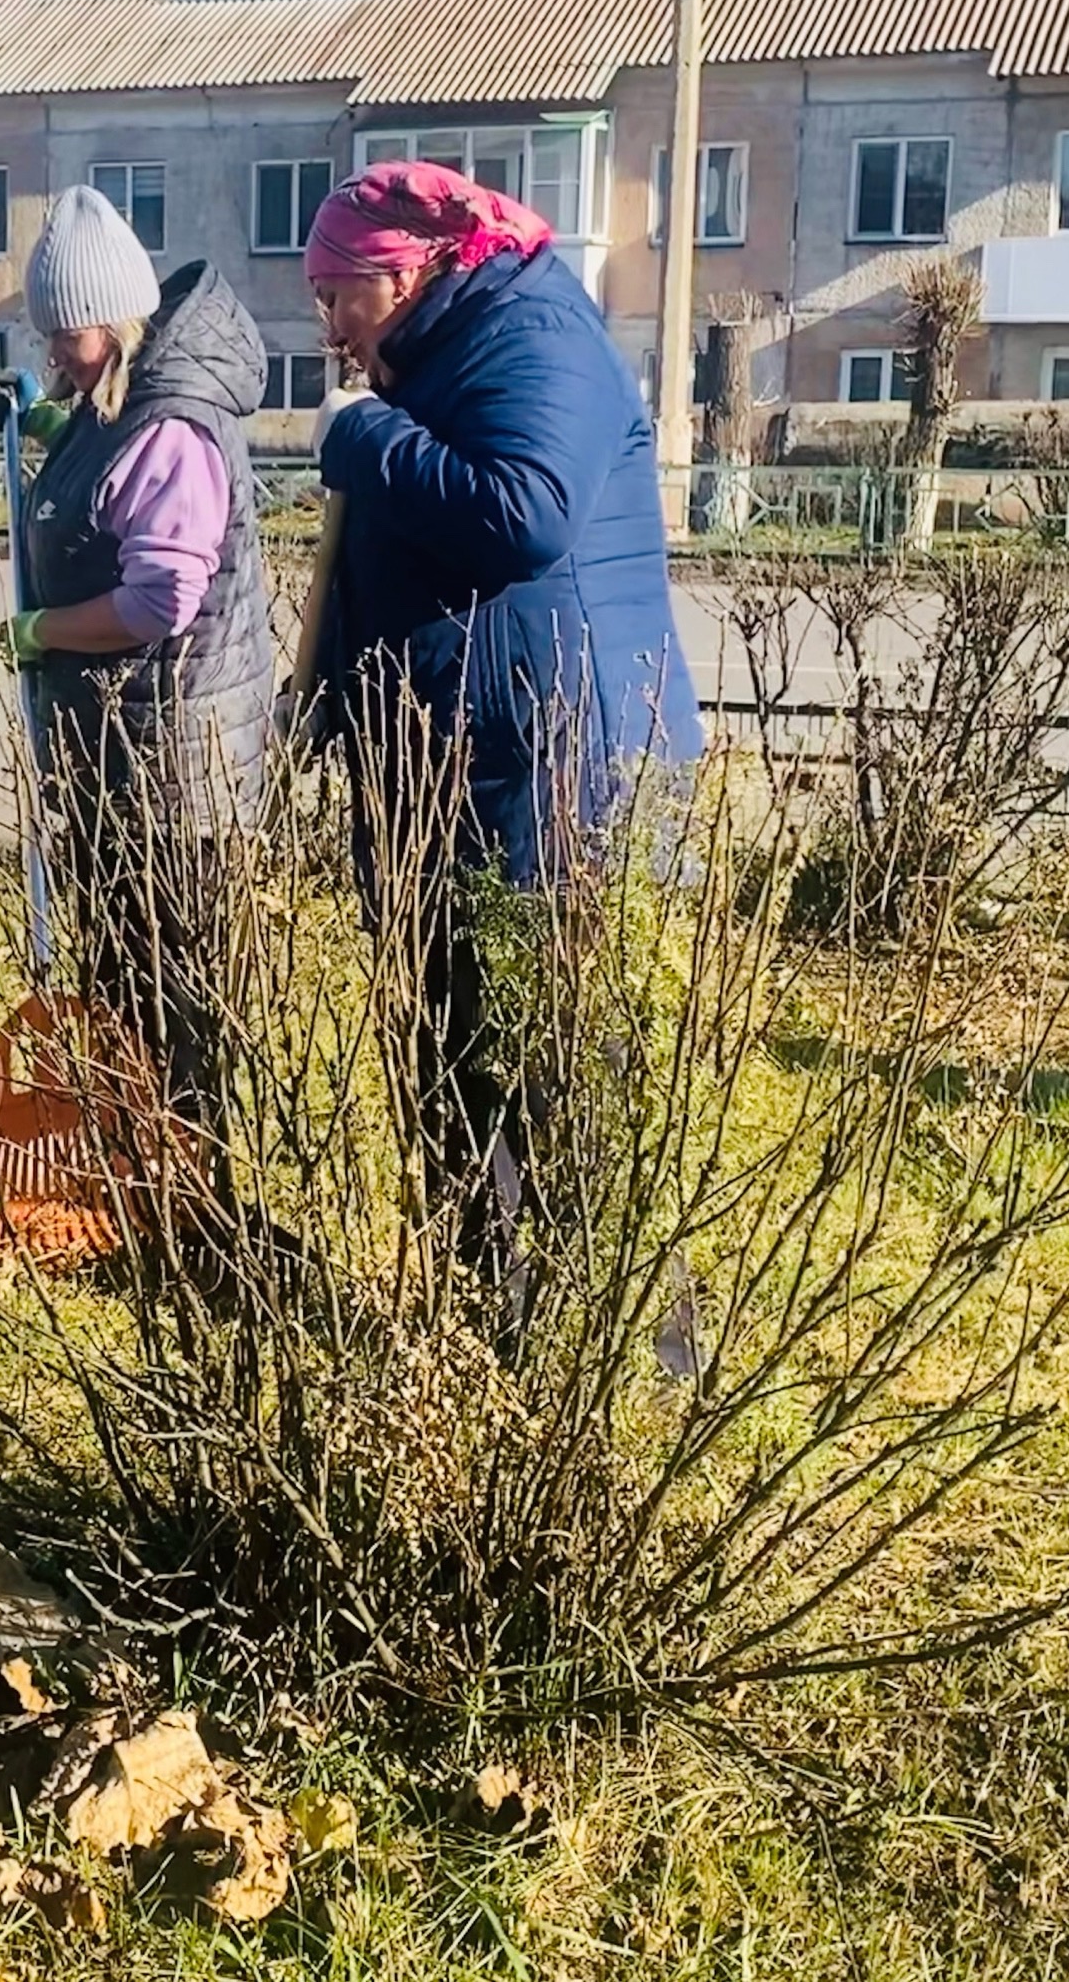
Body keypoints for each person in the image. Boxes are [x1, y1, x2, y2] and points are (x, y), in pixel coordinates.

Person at [303, 159, 702, 1341]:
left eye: (340, 294)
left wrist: (365, 434)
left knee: (562, 1057)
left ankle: (636, 1353)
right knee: (450, 1050)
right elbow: (398, 562)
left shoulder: (534, 331)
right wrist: (326, 693)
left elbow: (520, 512)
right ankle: (496, 1323)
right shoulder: (425, 355)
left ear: (415, 266)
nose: (326, 323)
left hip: (555, 769)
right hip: (454, 760)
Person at [0, 184, 275, 1227]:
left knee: (170, 989)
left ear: (117, 320)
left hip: (173, 765)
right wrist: (53, 431)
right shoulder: (119, 401)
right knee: (123, 978)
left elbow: (160, 596)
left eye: (65, 336)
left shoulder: (166, 424)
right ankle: (130, 1170)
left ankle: (192, 1205)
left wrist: (45, 631)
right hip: (128, 751)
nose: (57, 352)